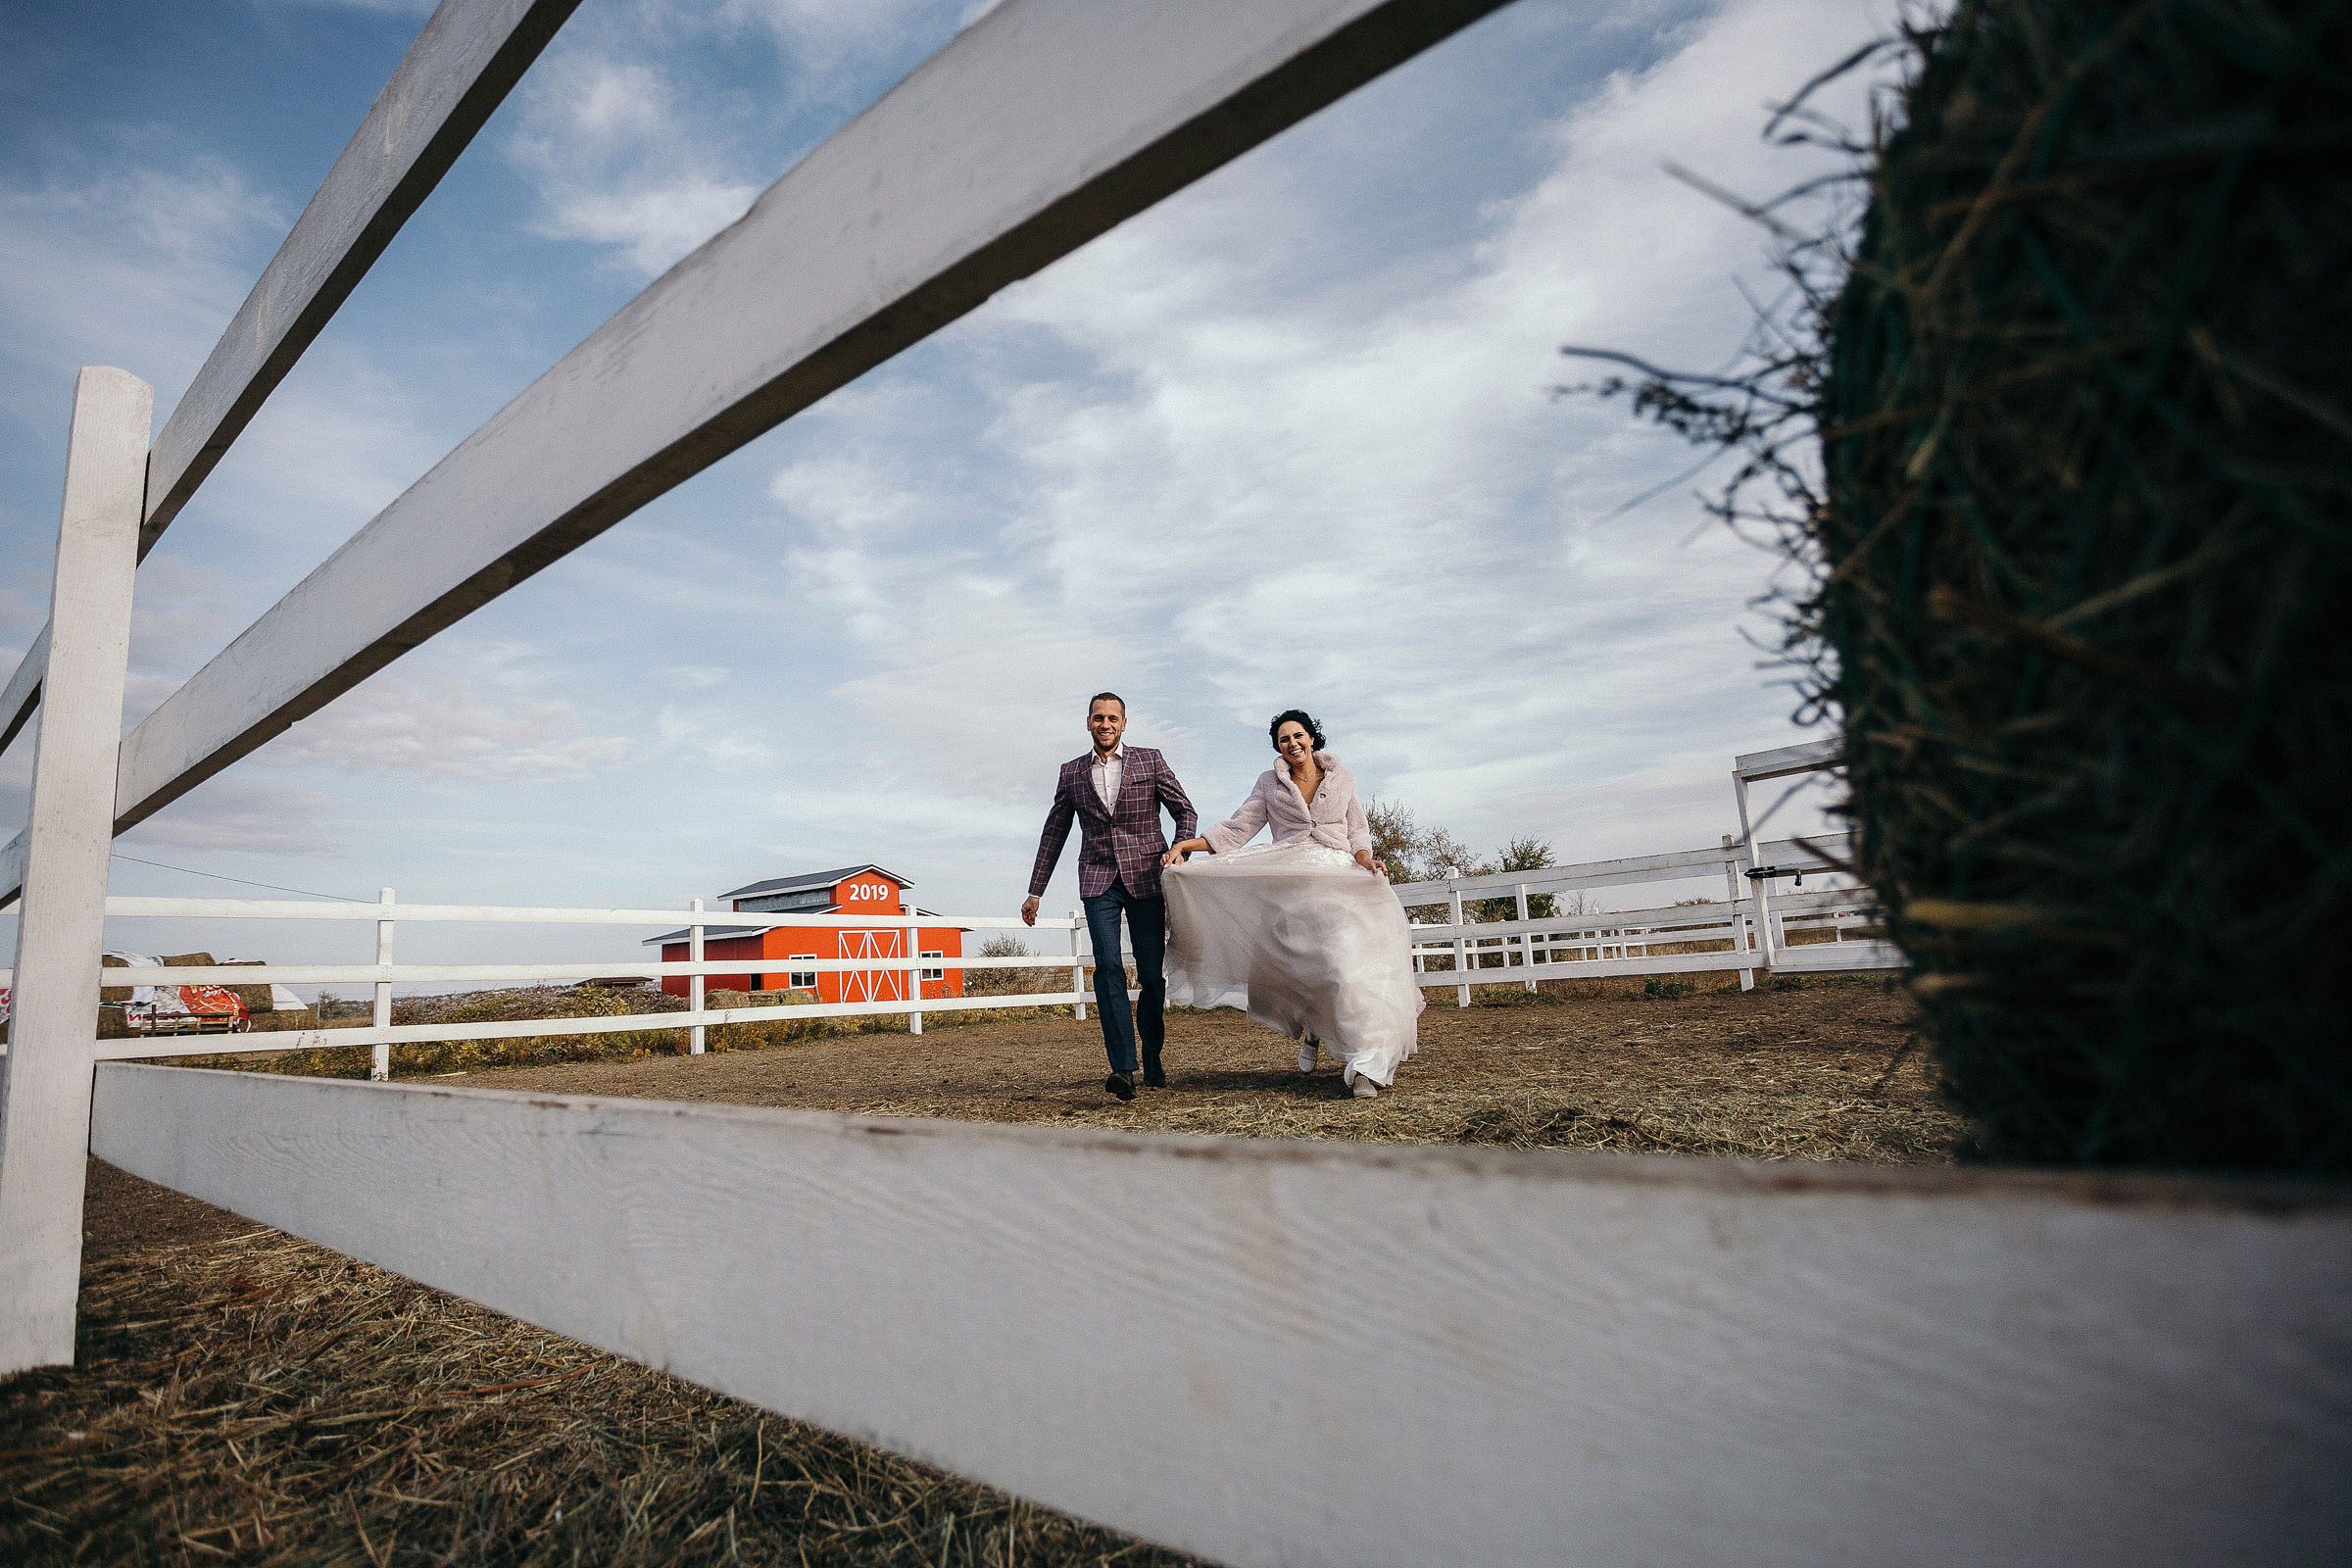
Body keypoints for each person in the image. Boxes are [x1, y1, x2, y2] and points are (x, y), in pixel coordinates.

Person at [1159, 710, 1422, 1098]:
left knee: (1346, 967)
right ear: (1278, 748)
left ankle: (1367, 1062)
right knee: (1304, 970)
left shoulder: (1343, 778)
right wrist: (1188, 845)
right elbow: (1239, 828)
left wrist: (1367, 858)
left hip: (1339, 879)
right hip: (1290, 886)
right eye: (1284, 740)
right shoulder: (1269, 782)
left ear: (1312, 738)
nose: (1292, 743)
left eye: (1298, 735)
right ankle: (1313, 1030)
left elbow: (1357, 830)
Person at [1023, 693, 1198, 1100]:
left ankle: (1152, 1053)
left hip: (1147, 879)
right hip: (1098, 880)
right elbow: (1054, 833)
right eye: (1098, 717)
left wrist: (1179, 849)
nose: (1106, 724)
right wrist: (1035, 891)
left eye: (1113, 718)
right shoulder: (1071, 773)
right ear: (1088, 723)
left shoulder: (1150, 760)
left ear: (1124, 723)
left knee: (1152, 976)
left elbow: (1184, 810)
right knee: (1108, 970)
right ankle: (1123, 1067)